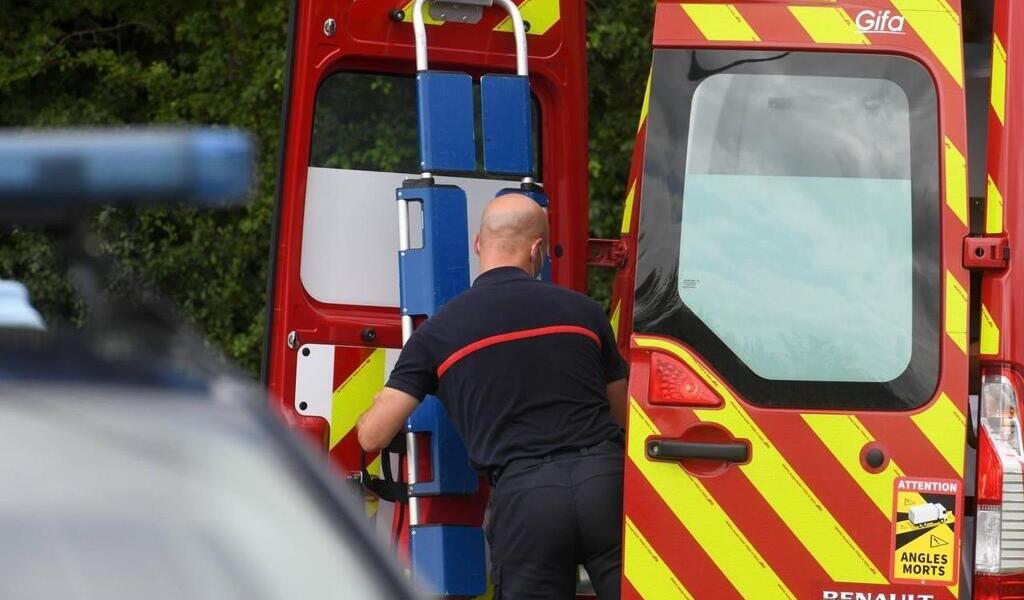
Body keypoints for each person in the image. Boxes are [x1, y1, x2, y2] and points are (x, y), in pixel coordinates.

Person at [357, 192, 628, 600]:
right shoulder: (585, 313)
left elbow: (373, 435)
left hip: (527, 500)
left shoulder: (439, 332)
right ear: (537, 249)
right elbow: (621, 412)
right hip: (605, 486)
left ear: (478, 244)